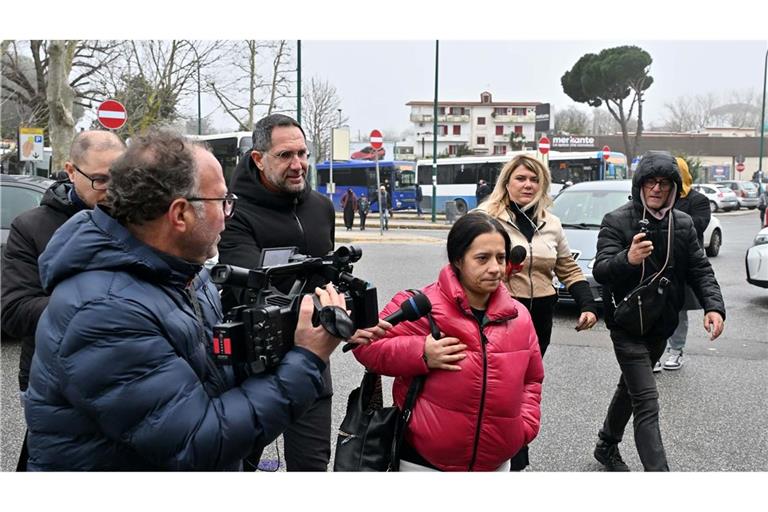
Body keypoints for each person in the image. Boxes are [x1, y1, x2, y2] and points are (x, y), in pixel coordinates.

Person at [22, 128, 348, 471]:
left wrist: (287, 336)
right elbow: (196, 444)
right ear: (180, 215)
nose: (228, 214)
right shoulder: (104, 312)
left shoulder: (185, 274)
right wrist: (307, 358)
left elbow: (215, 378)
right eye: (223, 201)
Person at [353, 212, 544, 471]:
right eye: (482, 258)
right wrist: (421, 352)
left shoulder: (519, 316)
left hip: (498, 464)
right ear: (458, 260)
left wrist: (524, 427)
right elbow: (366, 346)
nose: (495, 268)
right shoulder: (421, 306)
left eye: (501, 258)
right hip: (423, 464)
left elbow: (532, 379)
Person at [217, 114, 336, 471]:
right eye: (285, 155)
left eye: (303, 153)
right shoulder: (233, 212)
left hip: (313, 357)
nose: (298, 164)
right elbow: (251, 290)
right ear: (258, 158)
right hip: (253, 365)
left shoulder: (321, 207)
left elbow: (330, 276)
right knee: (237, 467)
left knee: (311, 470)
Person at [592, 151, 725, 471]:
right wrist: (629, 258)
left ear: (674, 188)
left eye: (665, 183)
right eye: (651, 181)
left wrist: (714, 307)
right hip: (625, 325)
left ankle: (606, 444)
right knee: (647, 402)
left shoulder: (683, 224)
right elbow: (601, 270)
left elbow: (700, 269)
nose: (657, 188)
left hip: (660, 325)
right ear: (640, 185)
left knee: (631, 387)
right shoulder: (616, 220)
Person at [1, 130, 126, 471]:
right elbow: (13, 312)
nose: (112, 190)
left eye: (121, 178)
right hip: (52, 379)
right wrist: (103, 309)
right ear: (71, 172)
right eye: (100, 179)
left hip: (125, 375)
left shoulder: (138, 220)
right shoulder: (31, 226)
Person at [476, 153, 597, 469]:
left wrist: (587, 304)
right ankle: (503, 453)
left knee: (524, 384)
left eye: (534, 179)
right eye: (520, 178)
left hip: (540, 314)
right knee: (498, 385)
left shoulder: (551, 222)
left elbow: (567, 266)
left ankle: (514, 446)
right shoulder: (485, 217)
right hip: (498, 313)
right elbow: (463, 265)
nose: (528, 185)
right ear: (507, 182)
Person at [654, 157, 711, 372]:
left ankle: (676, 351)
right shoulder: (660, 196)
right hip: (659, 262)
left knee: (678, 310)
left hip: (684, 265)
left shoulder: (698, 200)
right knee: (655, 309)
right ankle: (656, 352)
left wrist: (669, 218)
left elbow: (698, 226)